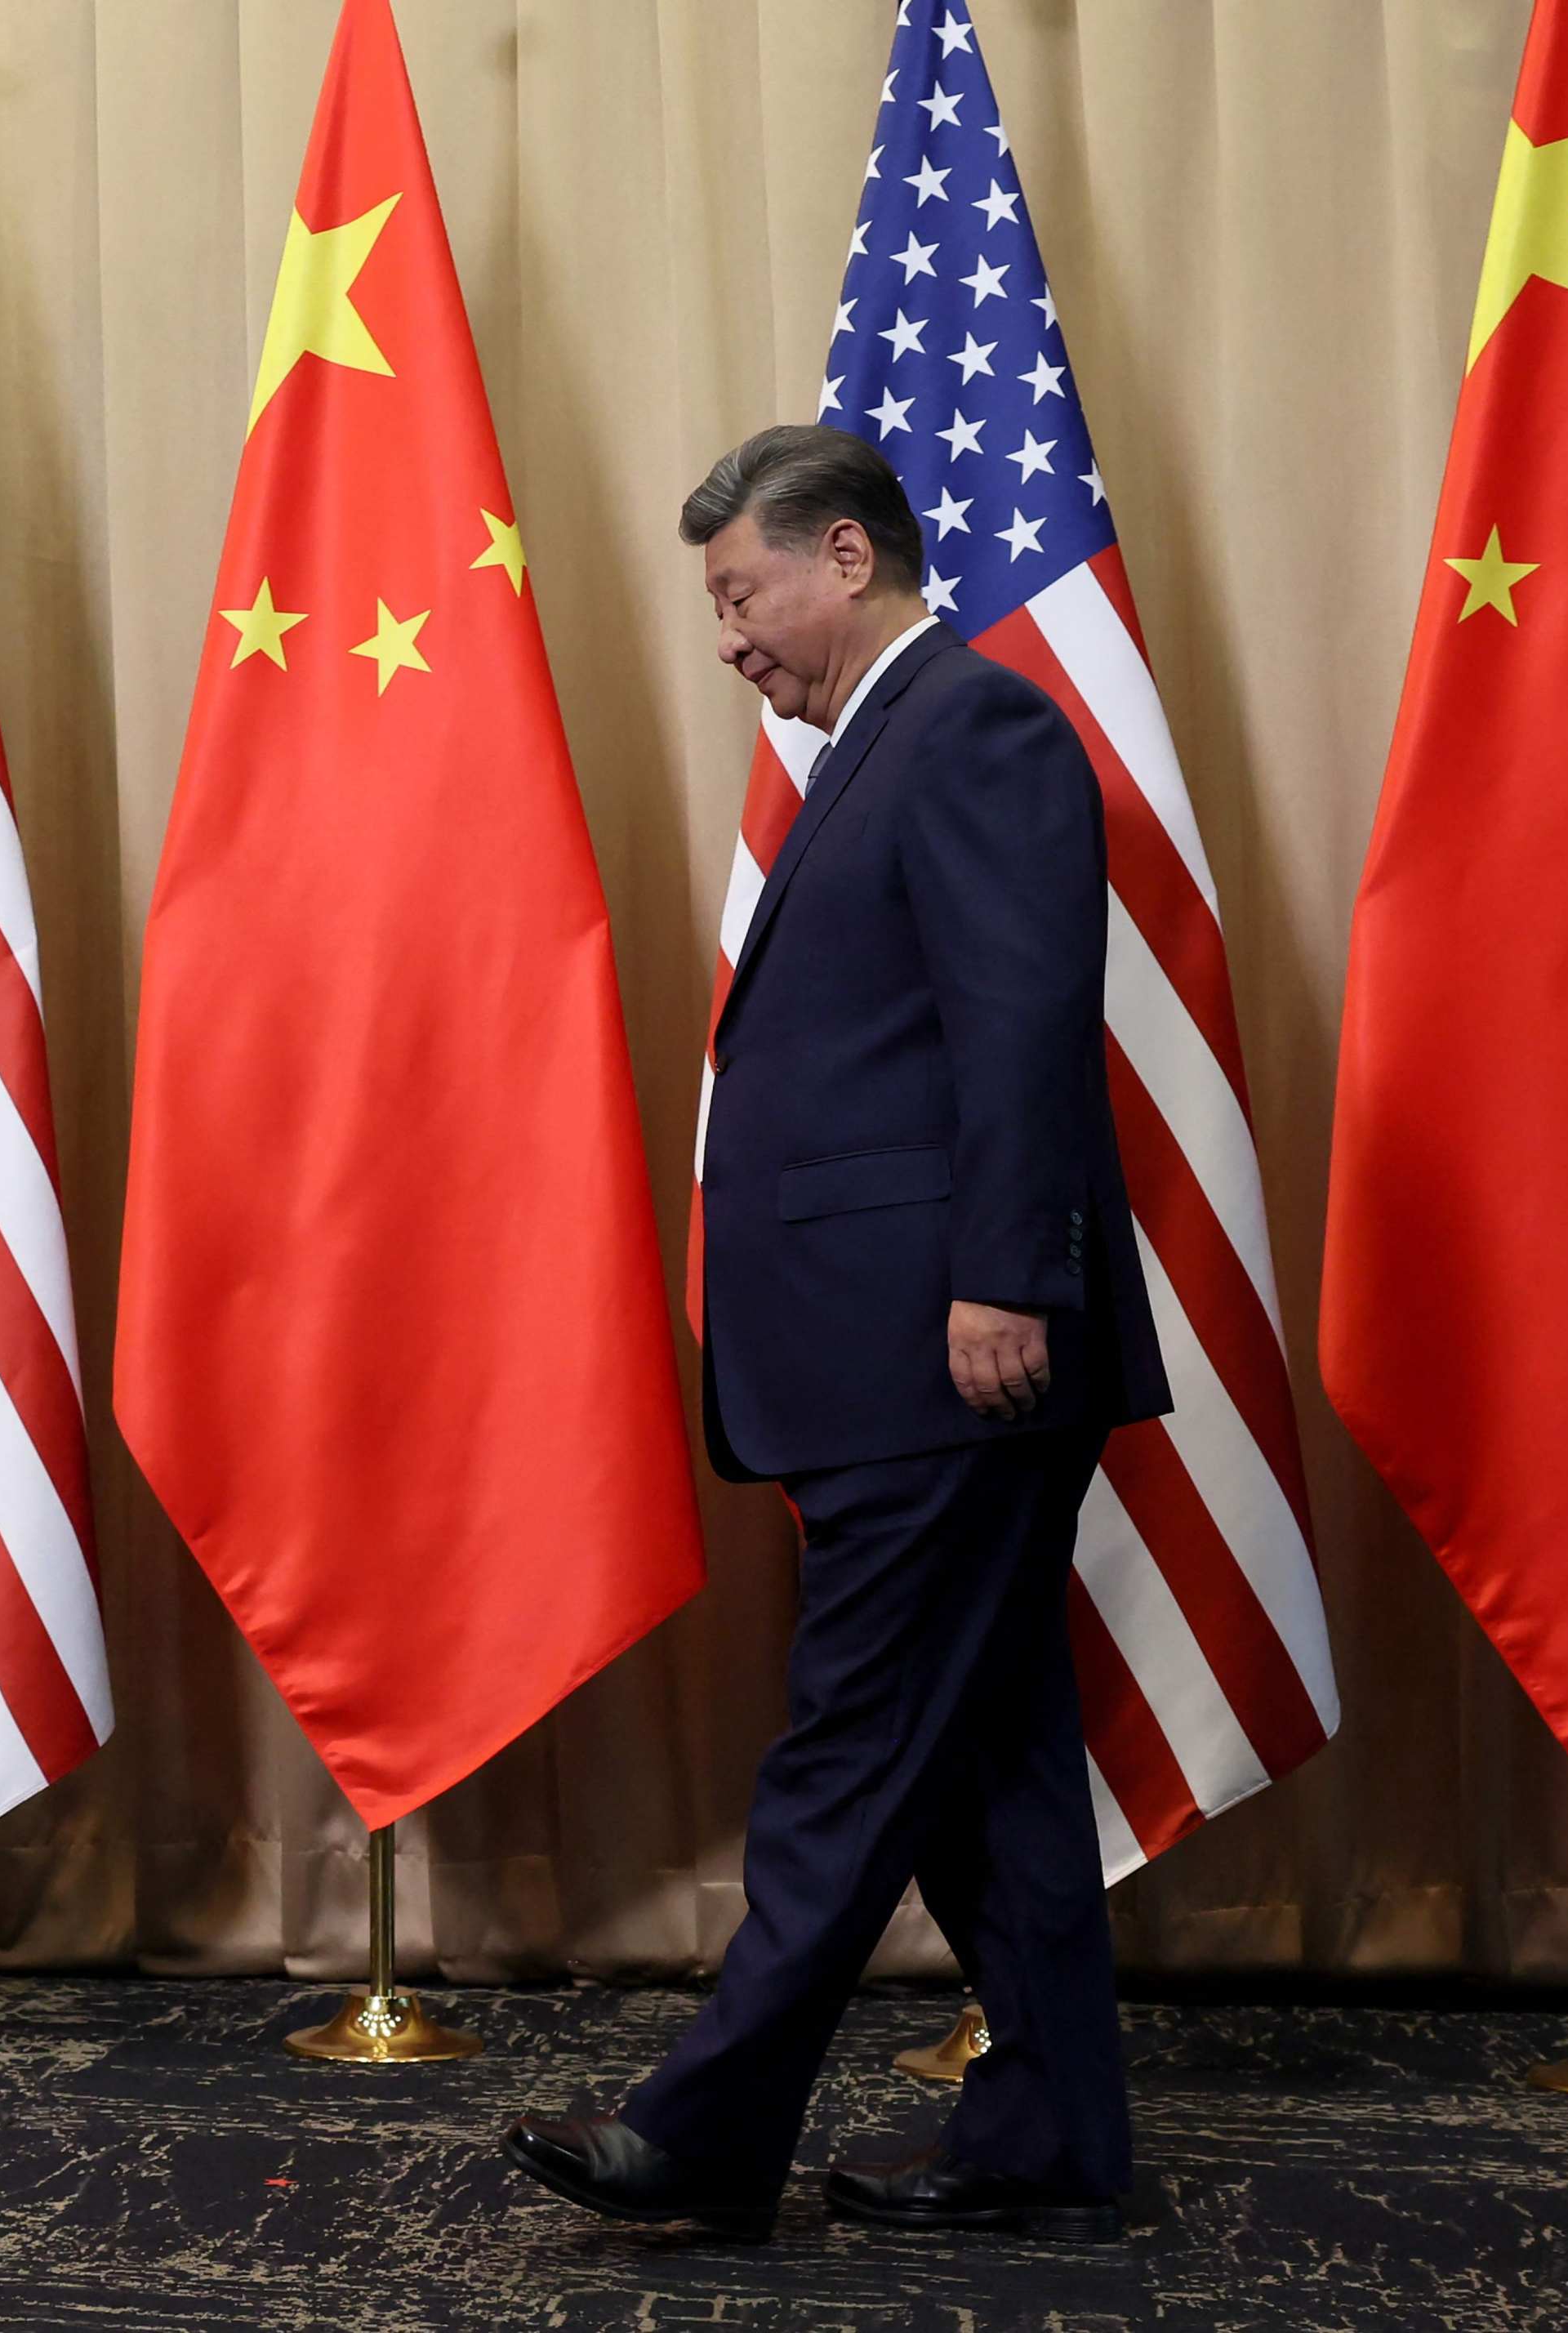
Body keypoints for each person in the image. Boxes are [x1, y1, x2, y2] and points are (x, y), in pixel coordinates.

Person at [504, 424, 1169, 2244]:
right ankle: (1045, 2140)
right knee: (983, 1764)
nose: (725, 635)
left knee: (853, 1742)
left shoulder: (973, 728)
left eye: (740, 592)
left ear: (847, 561)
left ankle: (706, 2130)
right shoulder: (878, 751)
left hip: (940, 1354)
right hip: (883, 1355)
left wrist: (1004, 1280)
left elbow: (1019, 1023)